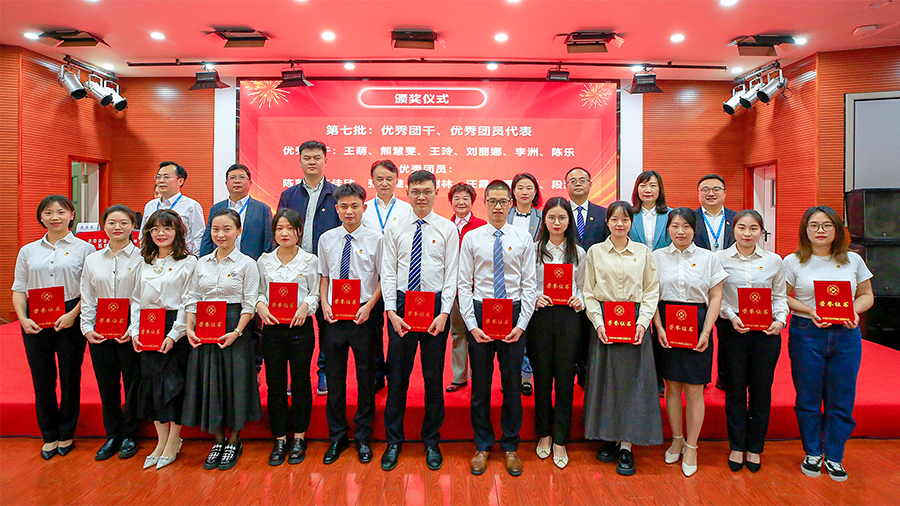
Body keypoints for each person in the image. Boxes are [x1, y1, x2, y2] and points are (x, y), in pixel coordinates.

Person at [784, 206, 874, 482]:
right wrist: (810, 311)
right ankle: (812, 452)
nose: (820, 230)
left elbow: (866, 295)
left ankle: (834, 455)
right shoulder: (793, 260)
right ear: (805, 230)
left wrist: (853, 311)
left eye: (826, 225)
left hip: (845, 335)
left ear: (837, 229)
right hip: (806, 332)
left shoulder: (853, 260)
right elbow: (783, 296)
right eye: (813, 225)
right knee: (807, 397)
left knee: (842, 397)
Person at [380, 170, 458, 471]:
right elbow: (388, 271)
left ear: (436, 192)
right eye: (415, 191)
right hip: (402, 305)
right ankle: (393, 441)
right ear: (408, 193)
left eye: (427, 191)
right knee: (397, 376)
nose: (421, 197)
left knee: (433, 377)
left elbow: (451, 274)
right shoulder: (396, 227)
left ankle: (431, 441)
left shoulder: (447, 228)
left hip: (435, 307)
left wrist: (444, 312)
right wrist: (391, 310)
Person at [459, 180, 537, 477]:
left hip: (513, 313)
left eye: (504, 201)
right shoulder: (472, 238)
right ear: (485, 203)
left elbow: (529, 284)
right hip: (481, 312)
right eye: (492, 201)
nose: (498, 206)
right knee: (480, 385)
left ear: (511, 203)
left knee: (511, 385)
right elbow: (463, 284)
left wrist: (521, 324)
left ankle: (510, 446)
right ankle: (482, 445)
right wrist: (471, 324)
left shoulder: (523, 237)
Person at [12, 195, 94, 460]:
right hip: (35, 317)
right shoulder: (28, 250)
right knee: (42, 378)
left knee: (70, 376)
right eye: (48, 212)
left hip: (71, 314)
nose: (55, 217)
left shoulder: (86, 249)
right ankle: (48, 434)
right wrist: (23, 318)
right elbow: (19, 288)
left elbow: (89, 290)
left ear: (72, 215)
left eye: (61, 211)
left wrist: (73, 314)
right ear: (41, 217)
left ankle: (66, 432)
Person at [583, 200, 661, 476]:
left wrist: (643, 322)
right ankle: (611, 437)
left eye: (625, 219)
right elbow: (588, 291)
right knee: (607, 382)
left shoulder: (643, 252)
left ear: (631, 223)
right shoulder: (595, 252)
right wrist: (598, 322)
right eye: (614, 219)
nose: (619, 224)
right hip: (604, 322)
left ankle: (627, 444)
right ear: (607, 222)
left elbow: (651, 290)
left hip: (635, 322)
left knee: (632, 383)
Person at [182, 209, 262, 471]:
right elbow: (193, 297)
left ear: (239, 231)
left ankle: (234, 440)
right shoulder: (201, 263)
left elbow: (250, 302)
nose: (221, 234)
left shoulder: (247, 264)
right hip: (205, 329)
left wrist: (236, 332)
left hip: (234, 329)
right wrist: (190, 327)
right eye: (216, 229)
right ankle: (218, 440)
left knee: (235, 384)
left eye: (227, 229)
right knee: (210, 382)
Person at [652, 207, 728, 477]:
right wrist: (658, 327)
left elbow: (716, 296)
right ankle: (676, 439)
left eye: (686, 226)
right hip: (666, 322)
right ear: (668, 229)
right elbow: (651, 295)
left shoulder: (709, 258)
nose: (680, 231)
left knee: (695, 388)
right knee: (672, 386)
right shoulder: (656, 257)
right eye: (675, 226)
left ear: (694, 229)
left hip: (698, 323)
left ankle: (692, 446)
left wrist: (706, 332)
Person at [716, 210, 788, 473]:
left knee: (761, 390)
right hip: (733, 329)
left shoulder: (774, 260)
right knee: (735, 389)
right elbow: (716, 296)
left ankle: (755, 447)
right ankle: (737, 446)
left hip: (766, 333)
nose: (747, 233)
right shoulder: (719, 259)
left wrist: (780, 320)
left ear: (761, 232)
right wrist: (731, 315)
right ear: (733, 230)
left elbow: (779, 296)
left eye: (753, 228)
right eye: (742, 228)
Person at [317, 183, 383, 465]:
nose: (349, 212)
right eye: (343, 206)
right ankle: (337, 436)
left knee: (366, 378)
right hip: (333, 316)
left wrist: (369, 306)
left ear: (363, 208)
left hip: (363, 316)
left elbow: (383, 278)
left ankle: (364, 436)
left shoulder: (376, 239)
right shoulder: (326, 239)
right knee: (335, 378)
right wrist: (324, 303)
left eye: (355, 206)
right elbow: (323, 276)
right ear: (336, 209)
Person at [129, 209, 197, 470]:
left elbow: (188, 301)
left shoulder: (188, 262)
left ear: (177, 231)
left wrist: (174, 334)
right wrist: (135, 330)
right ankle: (160, 441)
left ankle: (174, 440)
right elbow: (136, 300)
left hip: (174, 328)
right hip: (147, 326)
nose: (161, 233)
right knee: (151, 384)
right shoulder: (144, 262)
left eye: (167, 228)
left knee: (173, 385)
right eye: (155, 228)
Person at [256, 209, 320, 466]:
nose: (284, 233)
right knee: (275, 384)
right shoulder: (264, 261)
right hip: (272, 329)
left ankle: (300, 437)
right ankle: (280, 437)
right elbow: (258, 292)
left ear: (299, 232)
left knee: (301, 382)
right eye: (279, 228)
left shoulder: (310, 260)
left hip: (300, 329)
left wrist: (306, 306)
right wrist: (261, 306)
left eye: (290, 228)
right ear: (274, 233)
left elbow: (315, 292)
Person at [80, 205, 143, 461]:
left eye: (124, 222)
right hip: (101, 326)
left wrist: (133, 328)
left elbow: (142, 297)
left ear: (133, 226)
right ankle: (112, 433)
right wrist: (87, 327)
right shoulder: (92, 259)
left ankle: (130, 434)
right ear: (103, 226)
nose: (117, 227)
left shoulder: (142, 258)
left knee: (132, 382)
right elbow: (87, 296)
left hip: (130, 326)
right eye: (112, 222)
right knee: (106, 383)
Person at [199, 163, 274, 379]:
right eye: (233, 177)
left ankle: (254, 368)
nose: (237, 181)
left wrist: (260, 270)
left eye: (242, 177)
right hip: (220, 271)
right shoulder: (217, 208)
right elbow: (208, 239)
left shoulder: (262, 208)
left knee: (253, 323)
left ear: (250, 183)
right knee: (219, 319)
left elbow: (268, 242)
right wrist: (204, 264)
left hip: (249, 271)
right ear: (226, 183)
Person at [279, 140, 341, 396]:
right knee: (296, 323)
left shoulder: (336, 194)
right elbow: (281, 229)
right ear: (300, 160)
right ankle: (297, 376)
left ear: (326, 160)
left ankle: (324, 371)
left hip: (326, 270)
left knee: (326, 323)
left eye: (317, 157)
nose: (312, 162)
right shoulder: (289, 195)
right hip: (297, 268)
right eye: (307, 157)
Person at [529, 198, 585, 469]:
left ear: (569, 221)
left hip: (568, 319)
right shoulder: (534, 250)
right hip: (541, 317)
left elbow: (585, 286)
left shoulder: (579, 252)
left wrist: (579, 299)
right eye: (551, 217)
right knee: (542, 377)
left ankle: (561, 438)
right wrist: (535, 297)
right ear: (544, 220)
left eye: (562, 217)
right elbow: (526, 283)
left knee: (564, 378)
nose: (556, 222)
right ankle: (544, 434)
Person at [361, 160, 411, 391]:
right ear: (372, 180)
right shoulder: (364, 209)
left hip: (399, 277)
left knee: (396, 331)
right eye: (379, 179)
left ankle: (395, 375)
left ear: (396, 181)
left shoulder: (406, 209)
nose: (384, 183)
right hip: (370, 277)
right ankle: (377, 374)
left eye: (389, 179)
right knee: (373, 331)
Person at [566, 167, 609, 388]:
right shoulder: (559, 212)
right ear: (566, 186)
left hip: (595, 285)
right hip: (566, 287)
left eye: (582, 180)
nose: (578, 184)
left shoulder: (603, 214)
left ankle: (586, 375)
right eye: (572, 180)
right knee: (569, 334)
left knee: (589, 332)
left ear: (590, 185)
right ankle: (568, 372)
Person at [446, 183, 486, 393]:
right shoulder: (445, 226)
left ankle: (479, 374)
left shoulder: (482, 226)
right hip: (453, 290)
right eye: (457, 198)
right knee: (457, 332)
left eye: (465, 198)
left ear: (473, 201)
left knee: (478, 334)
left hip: (477, 290)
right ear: (450, 201)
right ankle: (460, 376)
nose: (461, 202)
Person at [508, 173, 543, 396]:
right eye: (520, 187)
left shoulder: (543, 217)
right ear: (513, 191)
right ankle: (510, 376)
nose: (524, 192)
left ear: (535, 191)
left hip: (535, 279)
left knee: (530, 328)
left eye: (529, 187)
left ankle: (526, 376)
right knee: (511, 329)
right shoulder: (504, 214)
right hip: (509, 280)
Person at [141, 161, 206, 255]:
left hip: (181, 258)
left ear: (180, 181)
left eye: (166, 177)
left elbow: (198, 237)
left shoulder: (191, 205)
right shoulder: (150, 205)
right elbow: (143, 235)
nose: (161, 181)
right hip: (154, 257)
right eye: (158, 177)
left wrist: (194, 258)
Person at [693, 174, 736, 253]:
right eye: (705, 190)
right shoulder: (691, 217)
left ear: (725, 193)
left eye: (716, 189)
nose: (711, 194)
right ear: (698, 194)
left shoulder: (735, 217)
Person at [630, 170, 671, 250]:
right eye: (643, 186)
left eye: (653, 185)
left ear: (660, 189)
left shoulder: (671, 215)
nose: (648, 190)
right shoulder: (628, 214)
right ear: (637, 189)